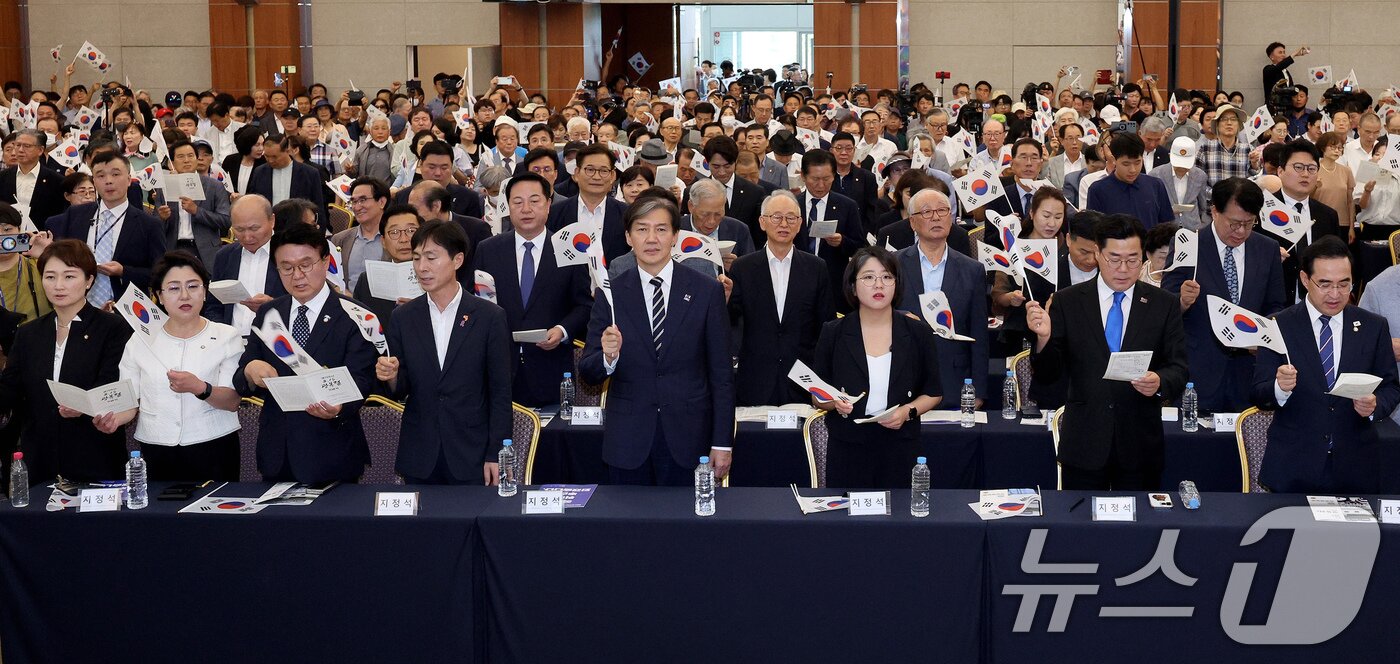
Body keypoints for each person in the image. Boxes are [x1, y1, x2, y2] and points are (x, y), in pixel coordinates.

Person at [578, 196, 734, 485]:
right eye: (642, 229)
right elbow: (588, 370)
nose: (652, 239)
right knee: (631, 529)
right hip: (628, 440)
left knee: (687, 528)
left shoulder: (706, 291)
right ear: (628, 237)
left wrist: (722, 442)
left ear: (675, 236)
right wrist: (608, 357)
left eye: (661, 229)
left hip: (690, 439)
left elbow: (721, 374)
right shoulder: (610, 293)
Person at [1027, 214, 1189, 490]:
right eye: (1114, 259)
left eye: (1132, 260)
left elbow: (1179, 367)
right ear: (1098, 255)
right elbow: (1048, 373)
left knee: (1140, 531)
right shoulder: (1068, 302)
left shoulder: (1164, 304)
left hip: (1140, 444)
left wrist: (1160, 382)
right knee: (1082, 530)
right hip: (1085, 442)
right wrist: (1043, 339)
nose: (1123, 269)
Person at [1252, 236, 1400, 493]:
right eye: (1325, 284)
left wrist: (1376, 405)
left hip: (1355, 468)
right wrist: (1279, 387)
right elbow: (1259, 394)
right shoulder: (1278, 326)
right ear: (1305, 279)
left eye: (1344, 284)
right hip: (1293, 468)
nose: (1335, 294)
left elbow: (1391, 388)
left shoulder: (1373, 326)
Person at [233, 223, 377, 483]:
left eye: (306, 265)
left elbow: (363, 379)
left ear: (325, 262)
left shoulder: (355, 315)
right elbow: (240, 379)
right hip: (279, 451)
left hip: (333, 449)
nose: (297, 275)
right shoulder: (269, 313)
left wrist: (339, 406)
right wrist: (250, 370)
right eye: (286, 268)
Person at [375, 220, 511, 485]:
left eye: (431, 257)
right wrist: (390, 375)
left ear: (457, 260)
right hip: (420, 452)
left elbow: (501, 392)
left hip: (471, 451)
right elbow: (400, 388)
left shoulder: (489, 316)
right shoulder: (403, 317)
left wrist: (496, 453)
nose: (422, 267)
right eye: (416, 259)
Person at [0, 240, 133, 483]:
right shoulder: (29, 332)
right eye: (50, 277)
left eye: (69, 276)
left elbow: (110, 383)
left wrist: (83, 404)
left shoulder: (112, 328)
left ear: (89, 280)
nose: (58, 286)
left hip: (95, 454)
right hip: (40, 459)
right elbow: (10, 389)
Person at [106, 251, 244, 480]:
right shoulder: (139, 340)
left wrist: (200, 387)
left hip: (213, 446)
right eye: (173, 288)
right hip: (156, 447)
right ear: (158, 295)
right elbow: (129, 400)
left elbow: (231, 402)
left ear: (205, 291)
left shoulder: (227, 336)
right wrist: (113, 420)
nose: (184, 296)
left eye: (193, 286)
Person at [813, 246, 943, 488]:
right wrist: (834, 403)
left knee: (900, 521)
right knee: (850, 523)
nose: (879, 285)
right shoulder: (833, 332)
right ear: (853, 285)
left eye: (887, 277)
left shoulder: (917, 332)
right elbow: (817, 394)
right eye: (868, 277)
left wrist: (908, 412)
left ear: (896, 284)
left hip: (901, 445)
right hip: (848, 447)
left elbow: (933, 392)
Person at [1163, 178, 1286, 413]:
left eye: (1249, 224)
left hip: (1249, 372)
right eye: (1234, 223)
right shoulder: (1189, 244)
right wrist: (1182, 301)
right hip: (1199, 371)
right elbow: (1165, 308)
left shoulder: (1267, 248)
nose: (1241, 231)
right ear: (1215, 212)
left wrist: (1264, 334)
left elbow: (1276, 304)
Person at [472, 173, 592, 407]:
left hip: (551, 369)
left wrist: (562, 330)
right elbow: (476, 303)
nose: (526, 208)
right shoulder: (488, 250)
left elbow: (584, 305)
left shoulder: (569, 250)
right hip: (499, 370)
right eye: (518, 202)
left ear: (548, 204)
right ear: (508, 207)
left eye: (534, 201)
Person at [726, 191, 834, 406]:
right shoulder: (743, 267)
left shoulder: (816, 267)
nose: (784, 223)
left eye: (791, 218)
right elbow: (733, 321)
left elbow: (825, 324)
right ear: (762, 222)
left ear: (800, 223)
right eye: (776, 217)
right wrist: (725, 300)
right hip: (755, 377)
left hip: (802, 378)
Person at [895, 187, 988, 404]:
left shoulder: (972, 269)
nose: (936, 217)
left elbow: (979, 334)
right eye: (926, 212)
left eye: (942, 211)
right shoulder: (893, 264)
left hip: (954, 378)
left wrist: (979, 390)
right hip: (905, 375)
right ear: (912, 222)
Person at [45, 151, 167, 308]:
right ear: (94, 181)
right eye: (101, 176)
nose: (108, 181)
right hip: (77, 305)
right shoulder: (76, 214)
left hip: (125, 309)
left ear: (129, 180)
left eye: (115, 174)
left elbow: (160, 274)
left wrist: (124, 271)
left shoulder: (149, 224)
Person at [1260, 140, 1343, 302]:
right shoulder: (1262, 210)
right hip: (1275, 301)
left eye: (1311, 169)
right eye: (1298, 167)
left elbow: (1337, 259)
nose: (1305, 174)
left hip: (1319, 302)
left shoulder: (1328, 215)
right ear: (1280, 171)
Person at [992, 188, 1072, 346]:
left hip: (1060, 331)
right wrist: (1011, 298)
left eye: (1058, 217)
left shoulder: (1067, 250)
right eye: (1046, 216)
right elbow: (998, 295)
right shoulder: (1013, 248)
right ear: (1032, 213)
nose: (1052, 223)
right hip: (1019, 331)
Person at [794, 149, 866, 312]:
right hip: (796, 280)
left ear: (834, 176)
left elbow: (860, 246)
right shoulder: (792, 205)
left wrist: (842, 241)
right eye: (815, 179)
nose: (821, 185)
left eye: (826, 179)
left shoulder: (847, 206)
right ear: (803, 177)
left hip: (833, 284)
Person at [209, 195, 285, 335]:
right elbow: (214, 305)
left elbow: (305, 302)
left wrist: (273, 305)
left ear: (272, 220)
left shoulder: (289, 254)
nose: (247, 237)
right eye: (240, 230)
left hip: (275, 341)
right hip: (230, 342)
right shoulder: (225, 256)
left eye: (254, 228)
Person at [546, 143, 630, 261]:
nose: (596, 177)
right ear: (576, 174)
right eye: (590, 170)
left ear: (612, 176)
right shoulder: (555, 213)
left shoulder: (627, 214)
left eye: (603, 171)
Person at [158, 140, 231, 268]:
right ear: (172, 162)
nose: (186, 160)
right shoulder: (164, 187)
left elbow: (225, 220)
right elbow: (154, 227)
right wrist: (162, 218)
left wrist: (197, 211)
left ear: (197, 159)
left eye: (190, 156)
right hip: (173, 249)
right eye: (181, 157)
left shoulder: (214, 186)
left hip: (205, 251)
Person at [1086, 132, 1175, 228]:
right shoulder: (1098, 190)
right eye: (1126, 164)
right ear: (1114, 159)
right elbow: (1092, 232)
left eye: (1137, 162)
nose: (1132, 170)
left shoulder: (1156, 185)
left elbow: (1167, 227)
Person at [350, 205, 420, 326]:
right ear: (383, 242)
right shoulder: (367, 281)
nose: (404, 239)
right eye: (394, 232)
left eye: (411, 231)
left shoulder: (437, 278)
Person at [247, 133, 327, 229]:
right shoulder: (259, 172)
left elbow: (318, 208)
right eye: (267, 156)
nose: (270, 160)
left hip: (299, 229)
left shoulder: (309, 173)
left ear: (287, 151)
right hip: (268, 228)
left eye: (275, 157)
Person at [679, 178, 755, 276]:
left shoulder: (738, 230)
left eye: (718, 214)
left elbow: (752, 274)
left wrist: (737, 268)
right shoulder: (675, 229)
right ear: (691, 206)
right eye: (705, 214)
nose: (712, 221)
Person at [701, 135, 766, 244]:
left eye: (727, 166)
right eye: (716, 167)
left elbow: (759, 237)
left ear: (735, 162)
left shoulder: (754, 192)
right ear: (707, 163)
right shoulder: (695, 191)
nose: (722, 172)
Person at [0, 129, 68, 228]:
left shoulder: (57, 181)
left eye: (27, 146)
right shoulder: (3, 177)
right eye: (18, 145)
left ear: (40, 150)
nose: (20, 150)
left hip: (43, 236)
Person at [331, 176, 388, 291]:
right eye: (354, 201)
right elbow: (331, 277)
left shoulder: (396, 239)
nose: (357, 207)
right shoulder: (340, 240)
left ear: (381, 202)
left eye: (363, 200)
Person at [0, 204, 51, 322]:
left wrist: (50, 255)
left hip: (38, 337)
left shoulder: (40, 265)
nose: (1, 236)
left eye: (7, 229)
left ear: (19, 230)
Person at [1149, 136, 1212, 230]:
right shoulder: (1155, 175)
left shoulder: (1200, 176)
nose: (1182, 167)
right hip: (1165, 228)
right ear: (1170, 155)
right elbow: (1152, 206)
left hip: (1192, 227)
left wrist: (1202, 224)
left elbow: (1202, 206)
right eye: (1178, 164)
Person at [1312, 131, 1356, 240]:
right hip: (1319, 221)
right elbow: (1307, 198)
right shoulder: (1313, 169)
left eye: (1339, 148)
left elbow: (1350, 201)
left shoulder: (1346, 171)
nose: (1337, 151)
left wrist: (1351, 227)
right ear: (1323, 148)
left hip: (1343, 222)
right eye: (1332, 147)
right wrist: (1315, 186)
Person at [221, 125, 266, 198]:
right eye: (257, 145)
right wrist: (232, 194)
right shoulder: (230, 160)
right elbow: (223, 183)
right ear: (248, 144)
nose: (261, 148)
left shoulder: (264, 163)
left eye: (263, 144)